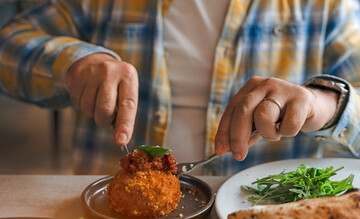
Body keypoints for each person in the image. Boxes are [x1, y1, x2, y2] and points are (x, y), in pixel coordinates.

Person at [0, 0, 360, 176]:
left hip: (259, 218)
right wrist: (72, 61)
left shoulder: (325, 5)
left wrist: (323, 104)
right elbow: (9, 44)